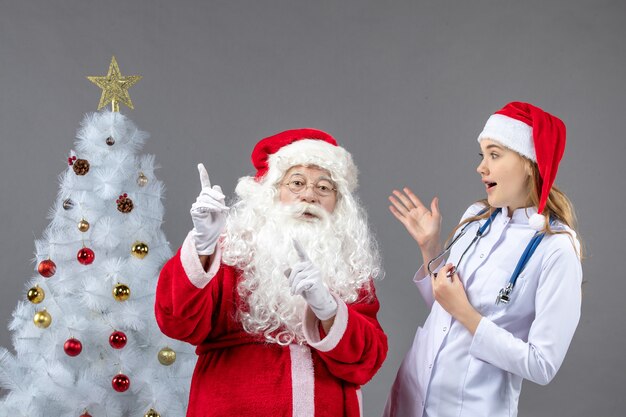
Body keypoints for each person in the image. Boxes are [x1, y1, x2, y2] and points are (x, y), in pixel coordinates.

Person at [155, 128, 387, 417]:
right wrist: (203, 245)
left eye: (324, 187)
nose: (310, 196)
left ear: (338, 201)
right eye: (297, 183)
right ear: (272, 191)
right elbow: (176, 322)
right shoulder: (232, 250)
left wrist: (329, 311)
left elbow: (367, 361)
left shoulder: (348, 265)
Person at [383, 102, 583, 417]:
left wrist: (468, 315)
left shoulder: (556, 248)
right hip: (411, 397)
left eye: (494, 154)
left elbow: (542, 364)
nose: (481, 167)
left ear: (529, 163)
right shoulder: (476, 219)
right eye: (482, 155)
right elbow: (444, 309)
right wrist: (430, 247)